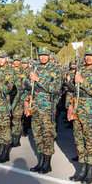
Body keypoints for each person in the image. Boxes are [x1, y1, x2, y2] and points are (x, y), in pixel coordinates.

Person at [67, 46, 92, 184]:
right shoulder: (80, 70)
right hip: (78, 109)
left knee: (90, 142)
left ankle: (90, 172)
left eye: (91, 55)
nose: (88, 57)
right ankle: (82, 169)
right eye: (87, 55)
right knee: (79, 140)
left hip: (91, 111)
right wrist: (69, 106)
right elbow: (71, 89)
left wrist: (82, 82)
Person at [26, 46, 63, 174]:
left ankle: (47, 163)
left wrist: (38, 80)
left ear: (49, 56)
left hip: (47, 107)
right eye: (41, 55)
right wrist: (27, 102)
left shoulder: (55, 70)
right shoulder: (35, 67)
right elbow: (27, 86)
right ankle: (40, 161)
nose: (42, 57)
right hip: (35, 106)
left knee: (48, 134)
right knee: (37, 134)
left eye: (45, 55)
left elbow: (55, 88)